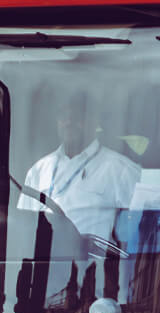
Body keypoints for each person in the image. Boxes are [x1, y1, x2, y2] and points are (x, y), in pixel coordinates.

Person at [17, 90, 139, 251]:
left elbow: (139, 232)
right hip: (43, 268)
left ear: (94, 121)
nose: (68, 122)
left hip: (95, 269)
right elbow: (24, 229)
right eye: (63, 116)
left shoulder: (121, 170)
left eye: (76, 117)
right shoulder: (38, 170)